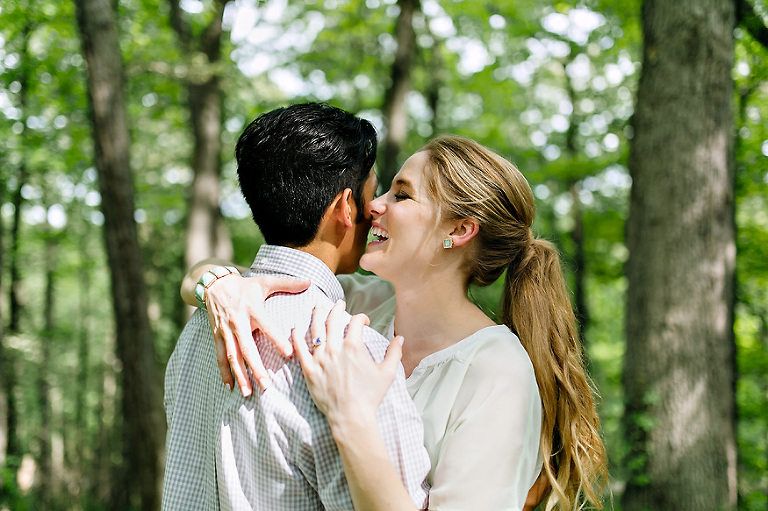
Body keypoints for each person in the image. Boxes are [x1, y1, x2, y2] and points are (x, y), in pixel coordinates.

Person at [184, 135, 608, 510]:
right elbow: (215, 275)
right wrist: (219, 286)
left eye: (402, 195)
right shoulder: (363, 304)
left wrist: (352, 419)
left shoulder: (497, 372)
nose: (374, 205)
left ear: (459, 230)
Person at [163, 102, 431, 511]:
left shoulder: (203, 328)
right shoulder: (352, 351)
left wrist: (209, 281)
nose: (377, 206)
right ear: (345, 208)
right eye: (372, 190)